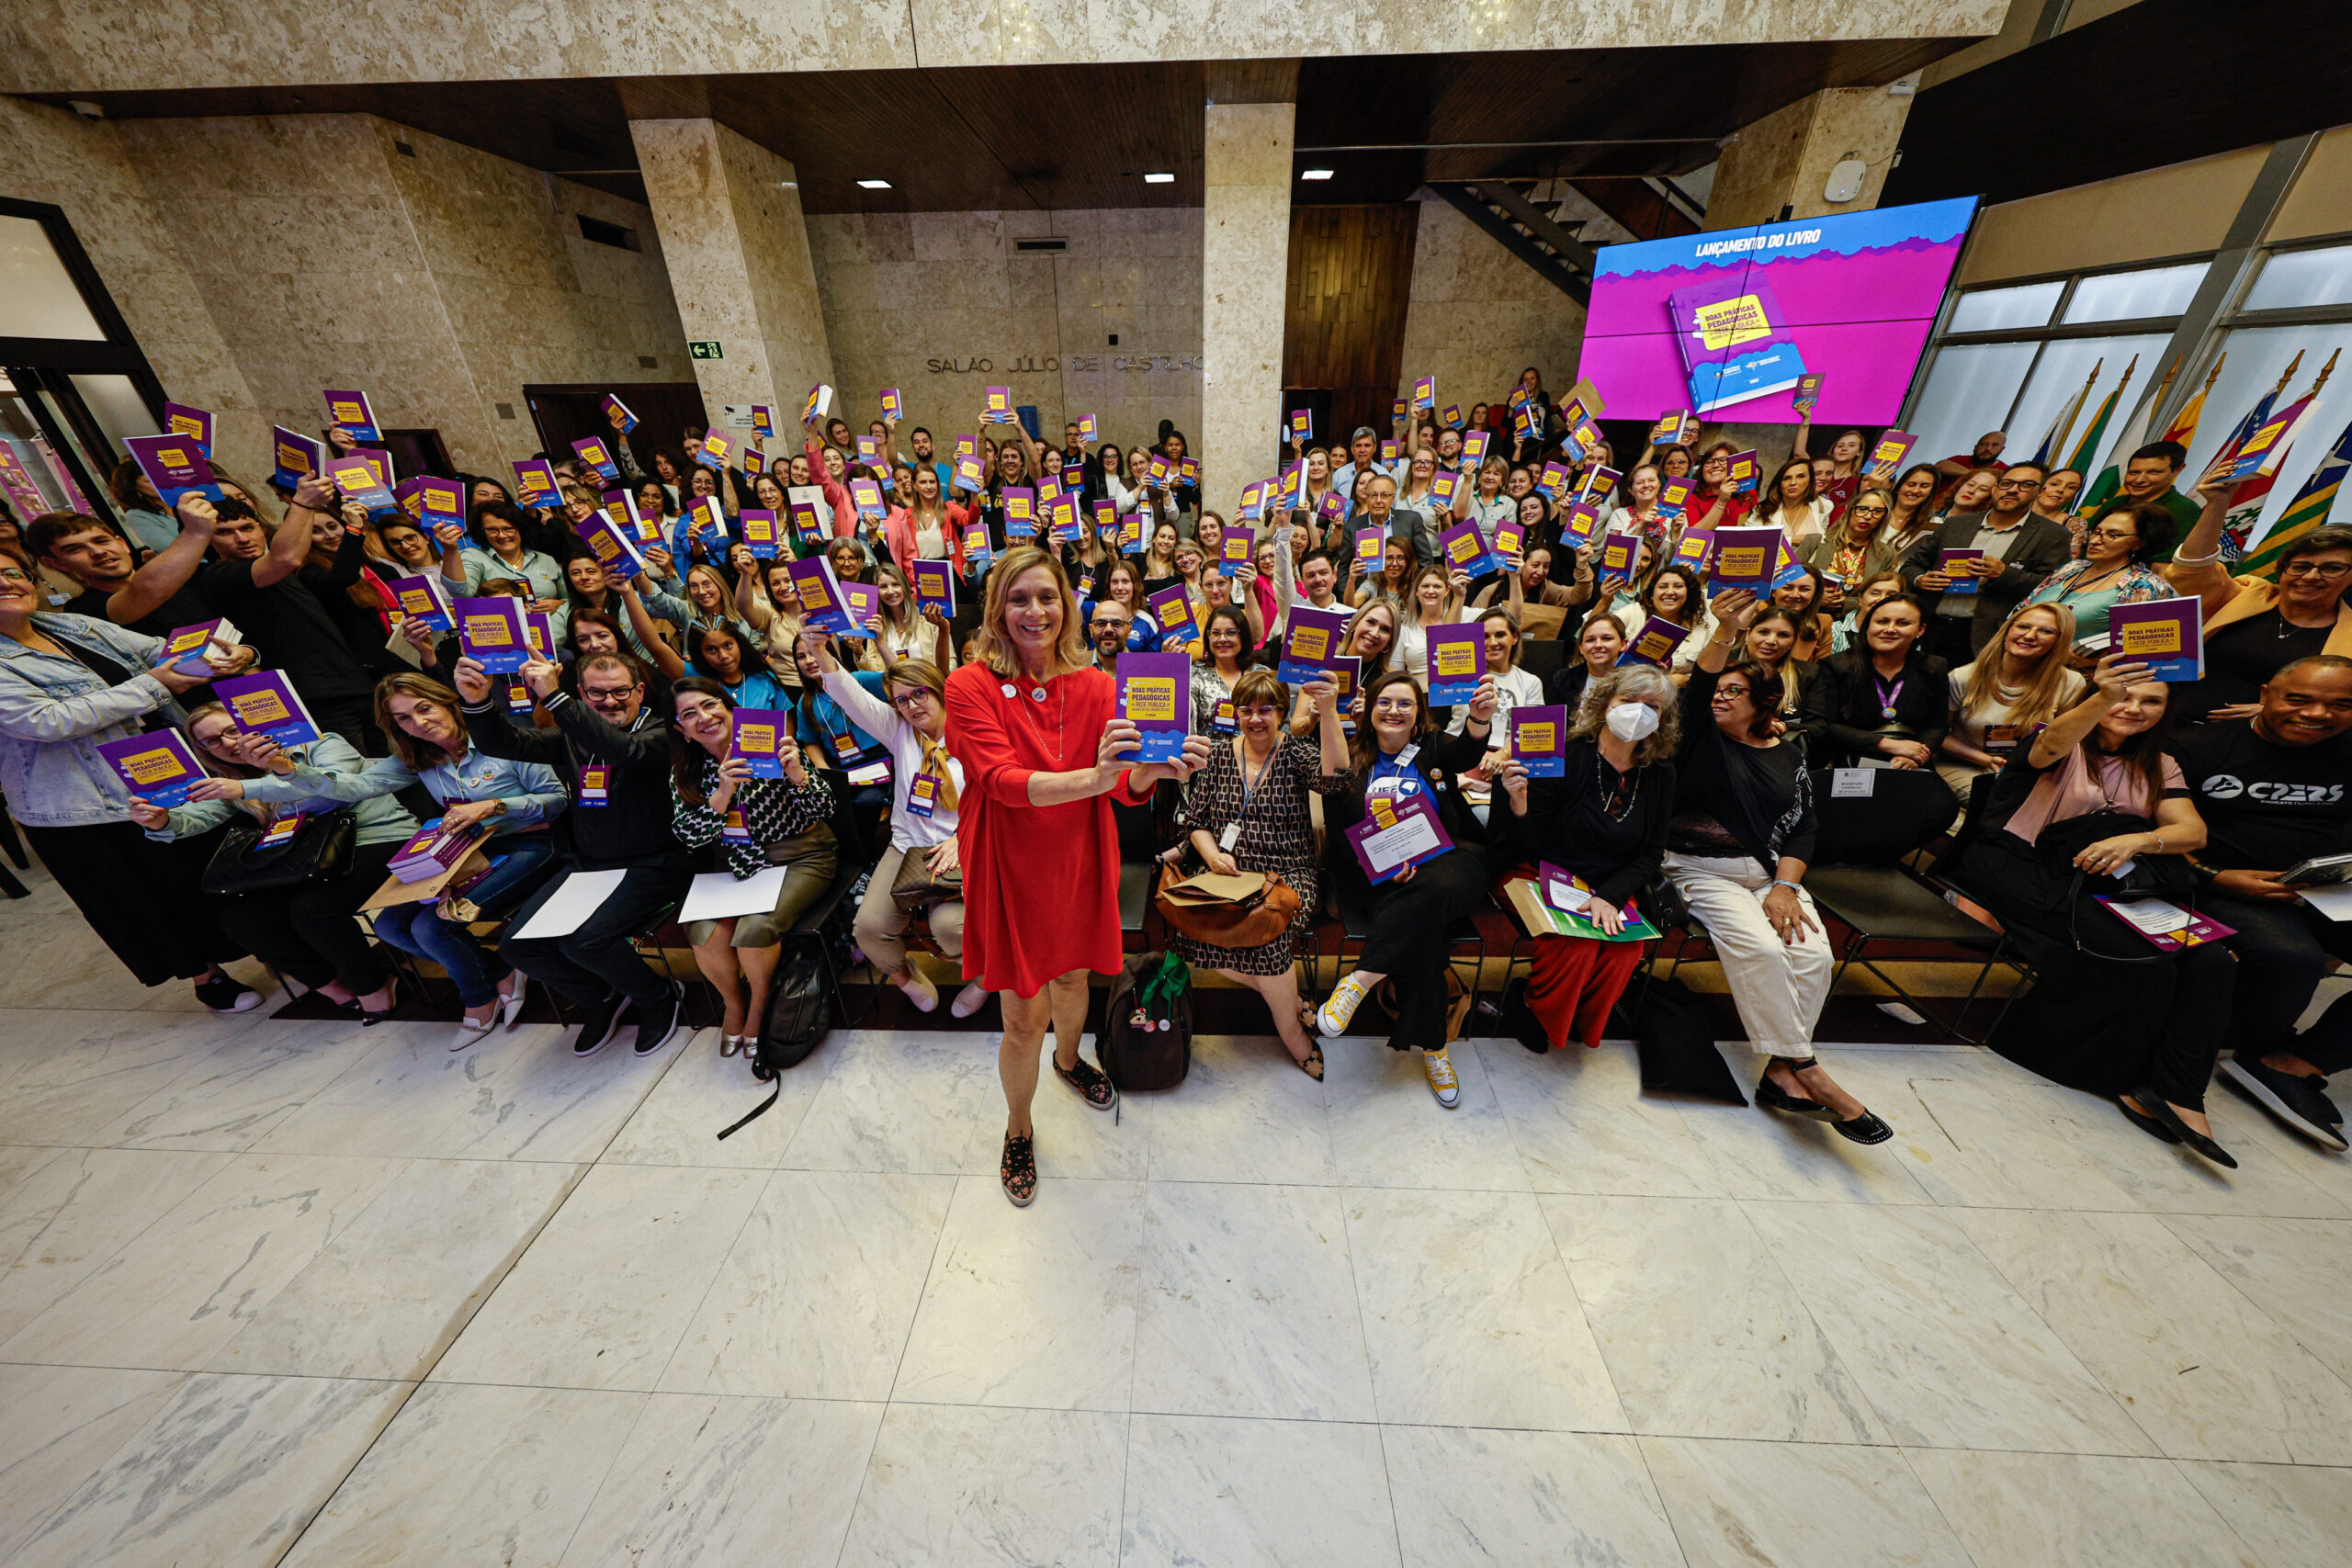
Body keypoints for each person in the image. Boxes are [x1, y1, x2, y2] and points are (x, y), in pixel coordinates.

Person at [944, 546, 1209, 1206]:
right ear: (998, 608)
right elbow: (1001, 783)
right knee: (1022, 1017)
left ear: (1069, 607)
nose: (1035, 611)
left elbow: (1122, 791)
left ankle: (1069, 1063)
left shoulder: (1096, 686)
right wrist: (1097, 778)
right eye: (1019, 598)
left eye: (1048, 597)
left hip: (1081, 861)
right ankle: (1019, 1125)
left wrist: (1157, 770)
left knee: (1072, 979)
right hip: (1010, 866)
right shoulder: (969, 684)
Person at [1953, 654, 2231, 1165]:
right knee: (2138, 957)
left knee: (2211, 960)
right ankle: (2101, 1068)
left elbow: (2192, 832)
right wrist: (2103, 693)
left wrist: (2142, 839)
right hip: (2021, 865)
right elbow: (2051, 745)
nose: (2135, 708)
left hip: (2103, 875)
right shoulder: (2059, 737)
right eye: (2124, 696)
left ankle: (2181, 1092)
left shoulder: (2160, 762)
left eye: (2152, 701)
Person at [1668, 589, 1889, 1142]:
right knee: (1763, 949)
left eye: (1734, 692)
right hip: (1700, 869)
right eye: (1718, 690)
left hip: (1771, 874)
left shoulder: (1789, 754)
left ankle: (1780, 1072)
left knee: (1814, 955)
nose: (1721, 698)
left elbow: (1805, 828)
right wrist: (1723, 633)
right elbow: (1696, 694)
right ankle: (1809, 1070)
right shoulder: (1698, 744)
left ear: (1763, 701)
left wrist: (1785, 887)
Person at [0, 558, 260, 1009]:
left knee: (213, 864)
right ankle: (206, 977)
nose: (6, 583)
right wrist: (151, 686)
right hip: (84, 804)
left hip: (166, 768)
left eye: (12, 573)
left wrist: (236, 654)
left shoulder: (74, 625)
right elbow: (45, 720)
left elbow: (163, 651)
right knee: (148, 895)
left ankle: (274, 947)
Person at [457, 648, 692, 1058]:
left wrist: (556, 698)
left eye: (621, 691)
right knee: (518, 946)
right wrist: (478, 702)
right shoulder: (573, 735)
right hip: (589, 865)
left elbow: (625, 752)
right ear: (583, 695)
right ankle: (601, 996)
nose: (611, 701)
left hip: (655, 863)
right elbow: (507, 741)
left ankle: (658, 995)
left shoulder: (661, 733)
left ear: (639, 691)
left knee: (585, 942)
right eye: (598, 694)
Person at [139, 695, 421, 1012]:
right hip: (307, 859)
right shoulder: (232, 778)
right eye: (211, 742)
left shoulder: (321, 743)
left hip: (373, 838)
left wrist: (256, 784)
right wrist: (163, 821)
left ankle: (373, 983)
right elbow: (197, 817)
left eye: (232, 730)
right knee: (242, 918)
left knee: (313, 909)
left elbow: (335, 790)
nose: (227, 744)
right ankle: (332, 987)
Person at [2170, 657, 2352, 1148]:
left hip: (2328, 886)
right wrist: (2216, 876)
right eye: (2300, 699)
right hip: (2227, 883)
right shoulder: (2197, 746)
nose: (2318, 714)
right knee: (2292, 957)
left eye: (2341, 705)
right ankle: (2255, 1047)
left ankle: (2294, 1063)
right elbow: (2150, 829)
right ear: (2267, 692)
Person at [337, 672, 570, 1049]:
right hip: (468, 852)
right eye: (403, 718)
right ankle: (500, 971)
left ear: (446, 701)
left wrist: (494, 805)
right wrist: (283, 774)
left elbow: (557, 798)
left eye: (423, 708)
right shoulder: (419, 756)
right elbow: (349, 786)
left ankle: (478, 1000)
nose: (419, 722)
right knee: (392, 927)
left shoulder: (500, 737)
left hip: (535, 843)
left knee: (433, 927)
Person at [1312, 668, 1496, 1106]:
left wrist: (1479, 720)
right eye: (1385, 702)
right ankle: (1435, 1048)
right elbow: (1339, 833)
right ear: (1370, 709)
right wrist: (1384, 862)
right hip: (1382, 874)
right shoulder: (1352, 755)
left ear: (1419, 714)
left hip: (1451, 860)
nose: (1394, 711)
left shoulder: (1433, 747)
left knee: (1428, 896)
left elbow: (1466, 751)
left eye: (1405, 704)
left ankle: (1360, 979)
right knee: (1422, 932)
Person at [1488, 663, 1677, 1051]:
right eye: (1629, 700)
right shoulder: (1566, 756)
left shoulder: (1660, 773)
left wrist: (1610, 896)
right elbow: (1528, 844)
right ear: (1606, 704)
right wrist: (1520, 805)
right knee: (1575, 944)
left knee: (1625, 949)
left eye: (1653, 706)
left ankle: (1581, 1019)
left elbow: (1651, 853)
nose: (1640, 711)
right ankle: (1536, 1008)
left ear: (1664, 718)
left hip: (1611, 883)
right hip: (1542, 872)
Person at [1178, 666, 1351, 1077]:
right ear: (1235, 713)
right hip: (1229, 872)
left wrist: (1328, 713)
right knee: (1192, 929)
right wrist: (1213, 856)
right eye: (1247, 710)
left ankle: (1292, 1036)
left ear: (1281, 712)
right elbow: (1195, 820)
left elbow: (1337, 780)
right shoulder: (1219, 755)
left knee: (1269, 935)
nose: (1256, 719)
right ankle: (1289, 999)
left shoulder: (1295, 751)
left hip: (1288, 873)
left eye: (1266, 710)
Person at [811, 637, 985, 1020]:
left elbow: (997, 801)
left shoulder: (974, 732)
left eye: (919, 695)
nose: (911, 706)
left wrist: (962, 838)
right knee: (868, 929)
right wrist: (820, 650)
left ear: (939, 691)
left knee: (950, 926)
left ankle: (986, 979)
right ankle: (906, 977)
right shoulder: (898, 729)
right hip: (908, 846)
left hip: (966, 844)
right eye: (901, 700)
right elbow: (849, 694)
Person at [668, 675, 840, 1054]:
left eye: (711, 705)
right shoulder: (686, 772)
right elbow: (687, 835)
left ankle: (760, 1006)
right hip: (738, 863)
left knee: (755, 928)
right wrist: (722, 794)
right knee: (702, 932)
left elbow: (826, 809)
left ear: (730, 709)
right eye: (690, 714)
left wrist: (798, 774)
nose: (705, 717)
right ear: (683, 730)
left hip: (801, 855)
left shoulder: (768, 744)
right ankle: (734, 1002)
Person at [195, 478, 386, 750]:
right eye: (225, 533)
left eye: (247, 528)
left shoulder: (291, 572)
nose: (242, 538)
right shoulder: (220, 576)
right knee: (352, 779)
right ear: (208, 540)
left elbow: (339, 579)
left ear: (261, 529)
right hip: (310, 695)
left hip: (355, 683)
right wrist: (303, 502)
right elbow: (284, 559)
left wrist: (354, 529)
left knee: (396, 770)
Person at [2169, 459, 2352, 724]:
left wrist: (2277, 711)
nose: (2311, 577)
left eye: (2332, 568)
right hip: (2171, 720)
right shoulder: (2245, 594)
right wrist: (2218, 505)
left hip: (2268, 743)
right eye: (2300, 566)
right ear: (2283, 569)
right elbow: (2192, 570)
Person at [1904, 459, 2070, 665]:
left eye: (2026, 485)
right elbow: (1911, 566)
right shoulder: (1957, 524)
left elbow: (2052, 588)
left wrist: (2004, 574)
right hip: (1929, 624)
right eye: (2007, 483)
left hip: (1984, 636)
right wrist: (1920, 580)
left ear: (2040, 491)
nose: (2013, 490)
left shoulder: (2052, 535)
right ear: (1996, 488)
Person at [1938, 603, 2084, 799]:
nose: (2030, 635)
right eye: (2023, 626)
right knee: (1996, 799)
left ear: (2060, 641)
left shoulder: (2070, 683)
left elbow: (2068, 742)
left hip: (2029, 772)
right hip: (1964, 764)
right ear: (2007, 631)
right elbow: (1937, 735)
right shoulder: (1963, 677)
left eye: (2046, 631)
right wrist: (1987, 760)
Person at [1802, 593, 1949, 772]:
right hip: (1850, 763)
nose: (1890, 629)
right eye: (1882, 622)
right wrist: (1888, 744)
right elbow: (1826, 726)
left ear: (1920, 630)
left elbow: (1936, 725)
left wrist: (1916, 756)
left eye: (1903, 623)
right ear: (1868, 626)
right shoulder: (1836, 666)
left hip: (1910, 763)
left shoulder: (1934, 667)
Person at [2024, 502, 2177, 640]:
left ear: (2140, 542)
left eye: (2113, 535)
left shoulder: (2145, 587)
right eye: (2097, 532)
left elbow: (2138, 647)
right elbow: (2022, 609)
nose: (2096, 541)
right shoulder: (2072, 568)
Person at [2083, 440, 2199, 554]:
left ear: (2177, 470)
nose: (2139, 480)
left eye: (2153, 472)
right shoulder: (2113, 504)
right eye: (2134, 473)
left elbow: (2164, 567)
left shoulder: (2184, 510)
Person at [1547, 608, 1628, 715]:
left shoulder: (1635, 681)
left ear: (1623, 644)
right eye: (1590, 640)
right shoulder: (1564, 679)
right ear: (1581, 648)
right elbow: (1552, 722)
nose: (1598, 645)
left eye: (1607, 638)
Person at [1755, 458, 1832, 553]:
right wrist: (1791, 540)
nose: (1793, 483)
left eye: (1801, 476)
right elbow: (1749, 542)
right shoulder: (1762, 509)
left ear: (1810, 480)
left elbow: (1822, 542)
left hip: (1808, 567)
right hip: (1774, 567)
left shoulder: (1824, 506)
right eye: (1787, 478)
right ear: (1779, 483)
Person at [1933, 431, 2009, 490]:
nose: (1988, 449)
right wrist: (1974, 474)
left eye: (1995, 445)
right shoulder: (1960, 460)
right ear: (1976, 447)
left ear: (2002, 449)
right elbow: (1940, 465)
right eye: (1983, 444)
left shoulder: (2004, 471)